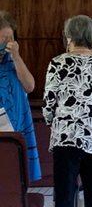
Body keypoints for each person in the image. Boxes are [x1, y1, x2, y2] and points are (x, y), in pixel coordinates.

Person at [43, 15, 92, 207]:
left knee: (65, 195)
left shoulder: (58, 62)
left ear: (68, 35)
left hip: (66, 136)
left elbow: (49, 101)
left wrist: (52, 121)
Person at [0, 11, 41, 182]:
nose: (8, 43)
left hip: (16, 126)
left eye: (11, 38)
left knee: (15, 177)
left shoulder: (13, 60)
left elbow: (30, 86)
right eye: (4, 38)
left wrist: (16, 56)